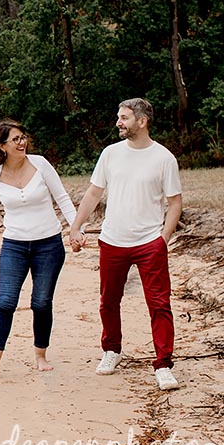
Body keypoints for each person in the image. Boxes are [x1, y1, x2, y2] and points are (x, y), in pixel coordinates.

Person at [68, 98, 183, 391]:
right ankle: (112, 350)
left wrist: (163, 239)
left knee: (159, 304)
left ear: (141, 122)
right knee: (108, 301)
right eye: (118, 117)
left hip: (149, 242)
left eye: (124, 118)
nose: (118, 122)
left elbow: (175, 203)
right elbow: (94, 194)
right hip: (112, 240)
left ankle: (163, 364)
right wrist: (75, 225)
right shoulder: (110, 154)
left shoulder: (164, 158)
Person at [0, 120, 77, 378]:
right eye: (16, 139)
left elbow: (63, 198)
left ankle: (40, 355)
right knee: (5, 302)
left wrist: (76, 229)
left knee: (41, 302)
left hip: (49, 244)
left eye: (23, 137)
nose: (22, 142)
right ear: (2, 146)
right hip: (14, 246)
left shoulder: (41, 164)